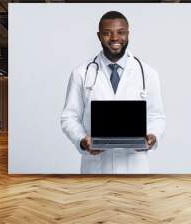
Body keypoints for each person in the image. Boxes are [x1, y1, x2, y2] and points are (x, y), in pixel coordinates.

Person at [61, 11, 165, 174]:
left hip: (134, 166)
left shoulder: (148, 73)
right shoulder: (81, 73)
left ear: (128, 34)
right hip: (95, 167)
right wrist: (82, 140)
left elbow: (157, 116)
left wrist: (153, 135)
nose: (115, 38)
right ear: (98, 36)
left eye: (121, 32)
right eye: (107, 33)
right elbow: (69, 117)